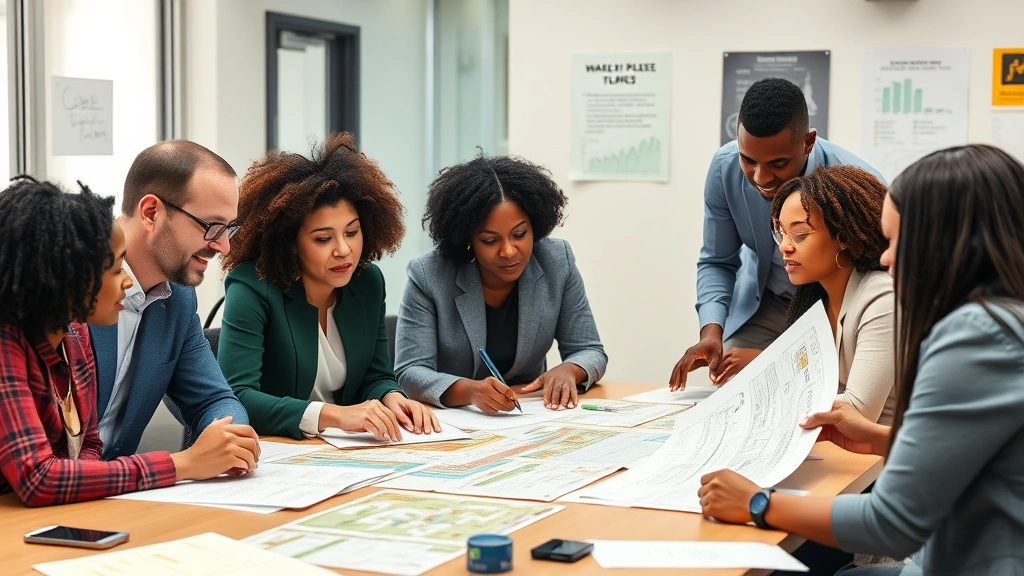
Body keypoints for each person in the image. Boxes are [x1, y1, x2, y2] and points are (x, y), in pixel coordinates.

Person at [698, 144, 1024, 575]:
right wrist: (878, 437)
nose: (886, 258)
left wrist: (756, 502)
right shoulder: (1002, 320)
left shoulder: (975, 337)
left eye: (896, 241)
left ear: (951, 241)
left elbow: (892, 525)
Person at [0, 178, 259, 507]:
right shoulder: (6, 344)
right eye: (114, 268)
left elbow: (90, 447)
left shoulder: (74, 335)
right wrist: (184, 463)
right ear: (62, 277)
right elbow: (39, 478)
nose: (126, 280)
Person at [218, 133, 440, 440]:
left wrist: (393, 397)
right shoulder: (252, 287)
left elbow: (375, 376)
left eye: (352, 232)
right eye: (323, 239)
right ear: (291, 243)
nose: (343, 250)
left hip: (345, 452)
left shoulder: (368, 283)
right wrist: (333, 415)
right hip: (274, 452)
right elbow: (237, 397)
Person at [670, 78, 884, 390]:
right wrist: (711, 333)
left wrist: (770, 358)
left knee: (814, 390)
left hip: (830, 306)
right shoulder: (724, 168)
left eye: (778, 163)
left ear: (808, 142)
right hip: (763, 302)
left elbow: (873, 286)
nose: (760, 177)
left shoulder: (855, 186)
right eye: (748, 160)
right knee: (732, 389)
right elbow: (718, 261)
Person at [395, 154, 607, 412]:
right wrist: (470, 391)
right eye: (490, 240)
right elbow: (410, 371)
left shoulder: (556, 261)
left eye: (519, 234)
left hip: (531, 414)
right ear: (468, 239)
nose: (508, 251)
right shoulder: (429, 275)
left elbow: (589, 350)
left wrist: (569, 370)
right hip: (456, 419)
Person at [89, 140, 254, 460]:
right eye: (211, 227)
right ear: (151, 212)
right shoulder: (67, 281)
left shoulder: (177, 299)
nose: (224, 247)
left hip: (110, 498)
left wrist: (229, 439)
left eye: (228, 229)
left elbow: (214, 400)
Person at [745, 165, 894, 424]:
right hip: (842, 453)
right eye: (780, 232)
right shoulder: (813, 299)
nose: (784, 246)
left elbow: (858, 411)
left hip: (887, 457)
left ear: (844, 236)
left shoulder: (883, 298)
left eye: (799, 234)